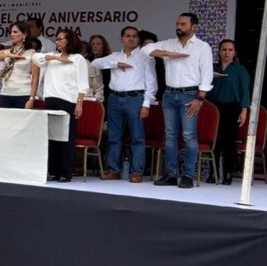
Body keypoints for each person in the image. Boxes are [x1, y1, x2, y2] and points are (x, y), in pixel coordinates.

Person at [142, 13, 214, 188]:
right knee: (170, 135)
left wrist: (200, 98)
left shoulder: (202, 47)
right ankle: (172, 174)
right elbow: (145, 49)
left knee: (189, 136)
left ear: (194, 27)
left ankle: (188, 175)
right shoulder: (169, 43)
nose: (179, 26)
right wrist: (167, 53)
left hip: (190, 95)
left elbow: (207, 75)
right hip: (169, 94)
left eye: (183, 24)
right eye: (177, 23)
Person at [90, 26, 157, 183]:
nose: (131, 38)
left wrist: (147, 104)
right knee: (114, 136)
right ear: (121, 39)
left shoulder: (145, 57)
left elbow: (152, 82)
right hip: (114, 99)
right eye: (128, 36)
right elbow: (95, 62)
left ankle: (136, 171)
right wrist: (115, 64)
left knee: (137, 137)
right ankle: (113, 170)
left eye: (134, 36)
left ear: (138, 39)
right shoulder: (114, 56)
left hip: (135, 98)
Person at [34, 29, 90, 182]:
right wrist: (56, 58)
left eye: (61, 39)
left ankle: (65, 172)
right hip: (51, 99)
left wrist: (79, 104)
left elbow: (83, 83)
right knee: (52, 138)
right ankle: (53, 171)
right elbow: (35, 58)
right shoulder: (53, 57)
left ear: (69, 41)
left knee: (66, 138)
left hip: (68, 101)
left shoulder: (78, 59)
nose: (57, 41)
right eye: (57, 39)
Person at [207, 39, 250, 185]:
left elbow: (245, 92)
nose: (227, 52)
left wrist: (244, 110)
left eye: (230, 50)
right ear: (219, 52)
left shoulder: (240, 70)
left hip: (232, 108)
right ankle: (213, 172)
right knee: (214, 141)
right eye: (224, 49)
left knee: (229, 142)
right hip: (213, 108)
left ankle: (228, 173)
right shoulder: (211, 68)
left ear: (234, 53)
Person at [0, 21, 39, 109]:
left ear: (24, 34)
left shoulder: (32, 53)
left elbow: (35, 78)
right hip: (5, 93)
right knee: (5, 122)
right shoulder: (7, 52)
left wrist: (32, 98)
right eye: (11, 32)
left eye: (15, 32)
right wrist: (8, 55)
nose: (11, 34)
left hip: (23, 93)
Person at [82, 36, 108, 103]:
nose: (95, 46)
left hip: (88, 102)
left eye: (98, 44)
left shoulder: (95, 66)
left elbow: (99, 89)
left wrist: (94, 100)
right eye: (93, 44)